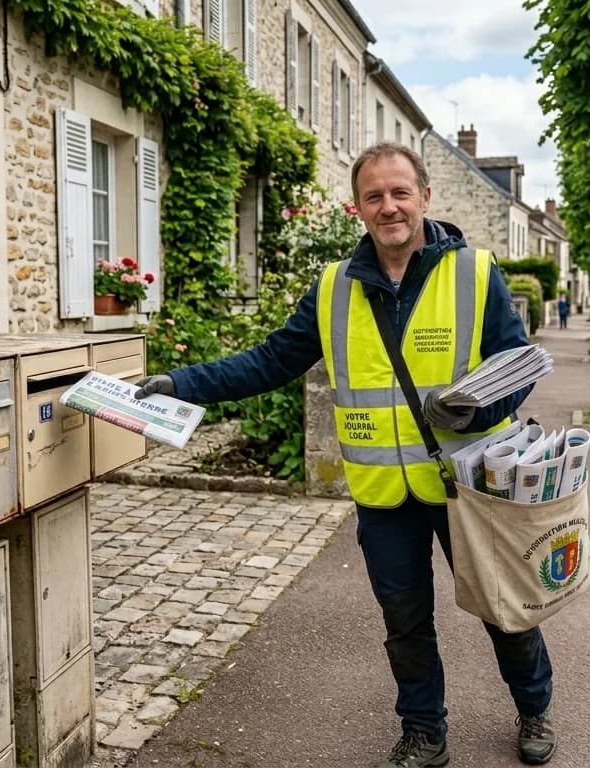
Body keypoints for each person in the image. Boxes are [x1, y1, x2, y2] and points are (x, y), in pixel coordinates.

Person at [135, 141, 558, 767]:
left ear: (424, 198)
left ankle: (533, 708)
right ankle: (425, 733)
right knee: (405, 622)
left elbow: (518, 362)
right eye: (374, 196)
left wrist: (480, 408)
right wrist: (183, 383)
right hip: (386, 496)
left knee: (504, 607)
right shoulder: (334, 287)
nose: (389, 206)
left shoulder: (473, 271)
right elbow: (271, 360)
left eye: (400, 192)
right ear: (356, 207)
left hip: (466, 484)